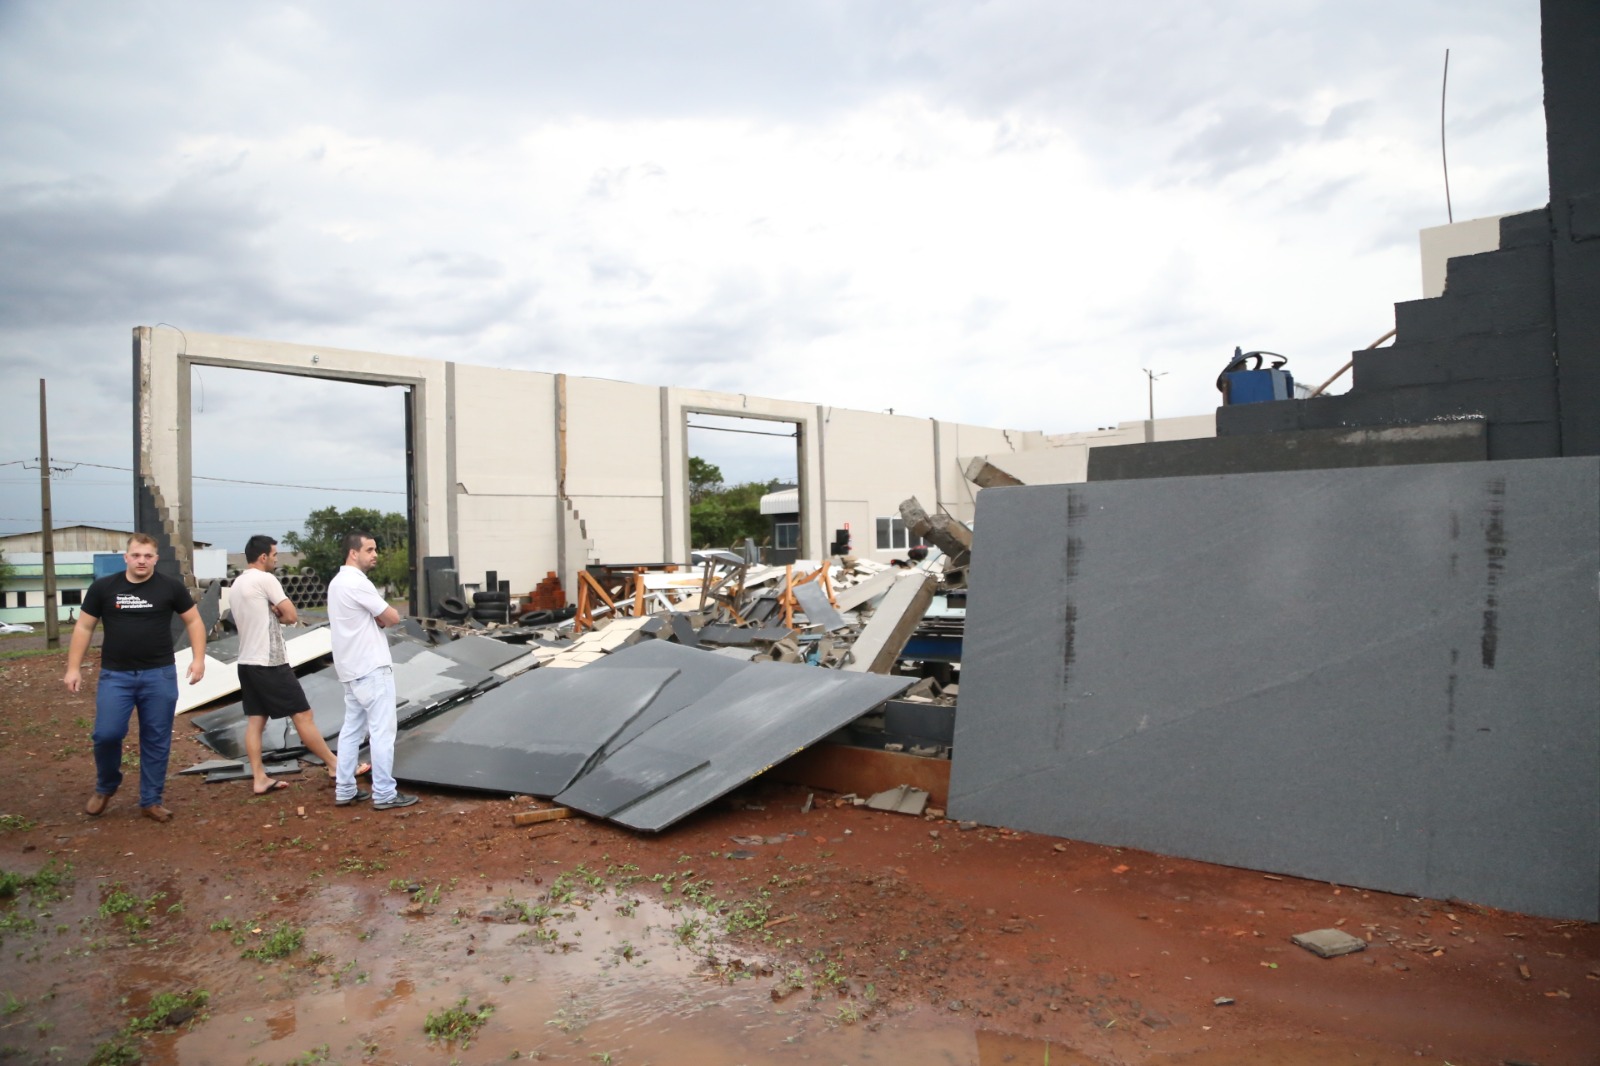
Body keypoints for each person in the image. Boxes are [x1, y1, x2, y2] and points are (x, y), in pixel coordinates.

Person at [63, 532, 206, 823]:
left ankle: (151, 800)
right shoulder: (104, 588)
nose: (142, 561)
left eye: (148, 556)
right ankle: (106, 785)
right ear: (126, 557)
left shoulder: (170, 587)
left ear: (156, 559)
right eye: (136, 555)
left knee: (156, 738)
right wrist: (73, 667)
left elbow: (193, 621)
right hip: (116, 676)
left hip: (159, 675)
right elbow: (84, 627)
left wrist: (199, 659)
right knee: (106, 734)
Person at [231, 535, 367, 796]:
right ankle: (335, 765)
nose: (276, 559)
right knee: (303, 715)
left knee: (256, 721)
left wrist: (273, 612)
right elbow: (291, 615)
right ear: (263, 557)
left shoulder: (238, 583)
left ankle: (259, 778)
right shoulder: (265, 579)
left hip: (247, 662)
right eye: (274, 555)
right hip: (270, 662)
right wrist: (279, 614)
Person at [327, 532, 417, 811]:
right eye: (369, 549)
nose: (375, 554)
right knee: (382, 732)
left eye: (375, 549)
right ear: (353, 553)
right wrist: (380, 617)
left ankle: (344, 789)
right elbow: (392, 617)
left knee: (351, 730)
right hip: (371, 666)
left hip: (350, 668)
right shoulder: (357, 582)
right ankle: (385, 792)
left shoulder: (336, 582)